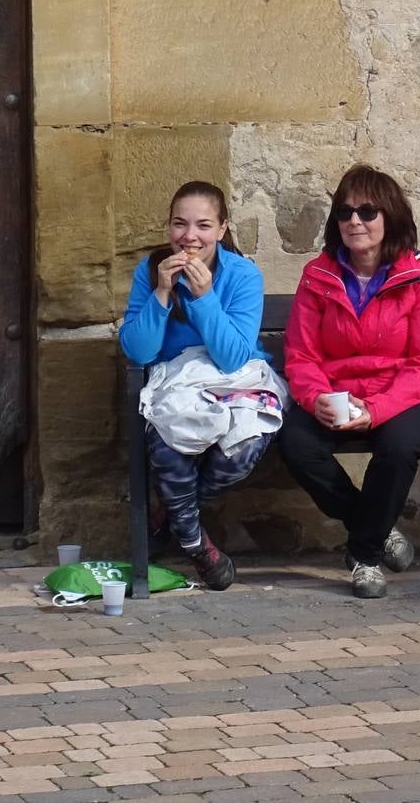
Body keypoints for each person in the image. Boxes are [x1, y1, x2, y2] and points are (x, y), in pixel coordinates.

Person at [277, 165, 420, 599]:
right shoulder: (318, 277)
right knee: (295, 443)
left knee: (398, 446)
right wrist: (316, 399)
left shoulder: (419, 279)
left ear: (390, 216)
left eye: (367, 211)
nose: (355, 221)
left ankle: (366, 556)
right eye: (345, 212)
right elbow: (301, 355)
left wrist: (377, 409)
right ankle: (377, 529)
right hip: (337, 393)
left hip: (403, 395)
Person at [120, 182, 278, 590]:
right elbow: (138, 351)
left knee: (241, 452)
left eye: (203, 225)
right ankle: (198, 547)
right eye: (180, 224)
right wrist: (161, 293)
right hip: (174, 381)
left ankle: (171, 514)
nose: (190, 237)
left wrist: (205, 296)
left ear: (222, 230)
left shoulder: (243, 275)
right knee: (167, 448)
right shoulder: (151, 270)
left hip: (234, 379)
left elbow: (232, 356)